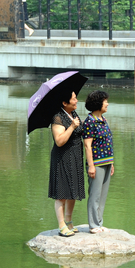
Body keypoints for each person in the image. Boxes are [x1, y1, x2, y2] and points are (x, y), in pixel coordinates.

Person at [50, 92, 86, 236]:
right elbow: (59, 141)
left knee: (73, 191)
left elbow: (80, 131)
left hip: (75, 157)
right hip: (62, 157)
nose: (76, 100)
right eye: (74, 98)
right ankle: (61, 225)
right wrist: (71, 127)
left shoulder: (73, 114)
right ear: (65, 103)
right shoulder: (58, 117)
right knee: (62, 192)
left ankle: (69, 221)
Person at [82, 90, 114, 233]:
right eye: (105, 101)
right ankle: (93, 225)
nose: (107, 104)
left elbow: (108, 141)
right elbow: (87, 145)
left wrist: (112, 163)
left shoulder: (104, 120)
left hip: (107, 161)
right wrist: (91, 166)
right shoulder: (90, 122)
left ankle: (99, 222)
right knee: (95, 195)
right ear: (98, 103)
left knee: (102, 195)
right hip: (96, 163)